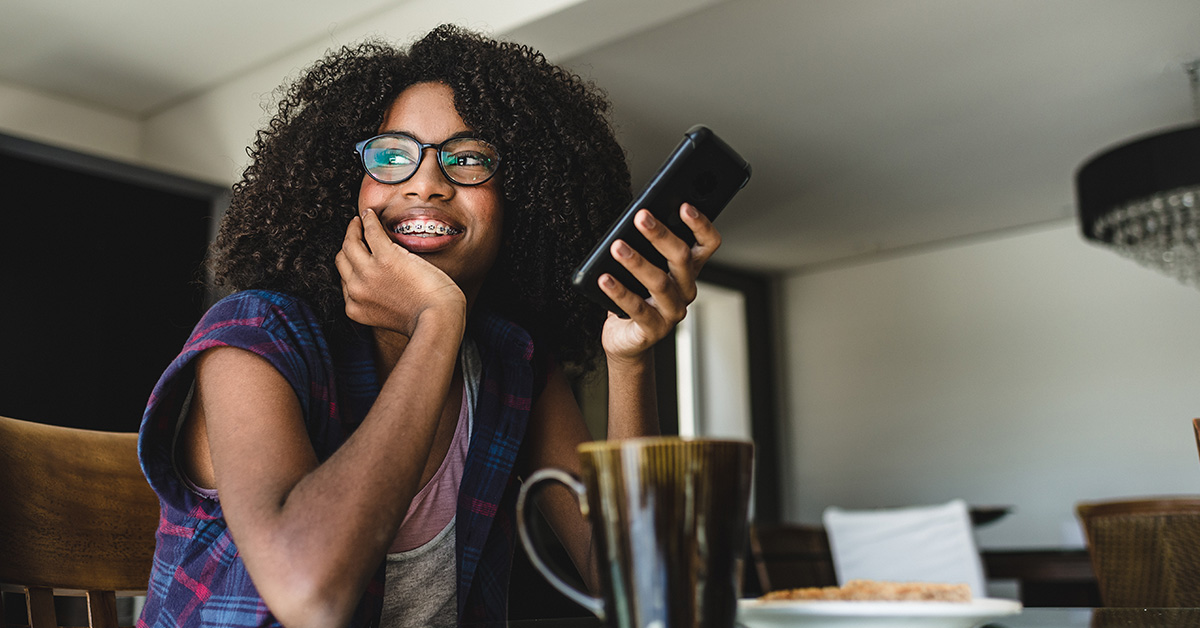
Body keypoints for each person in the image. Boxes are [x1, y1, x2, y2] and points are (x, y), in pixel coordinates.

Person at [136, 24, 721, 628]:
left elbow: (643, 588)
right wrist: (437, 320)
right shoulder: (256, 334)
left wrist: (631, 357)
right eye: (391, 156)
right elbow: (310, 595)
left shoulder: (509, 365)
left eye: (467, 159)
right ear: (347, 190)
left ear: (521, 197)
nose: (427, 182)